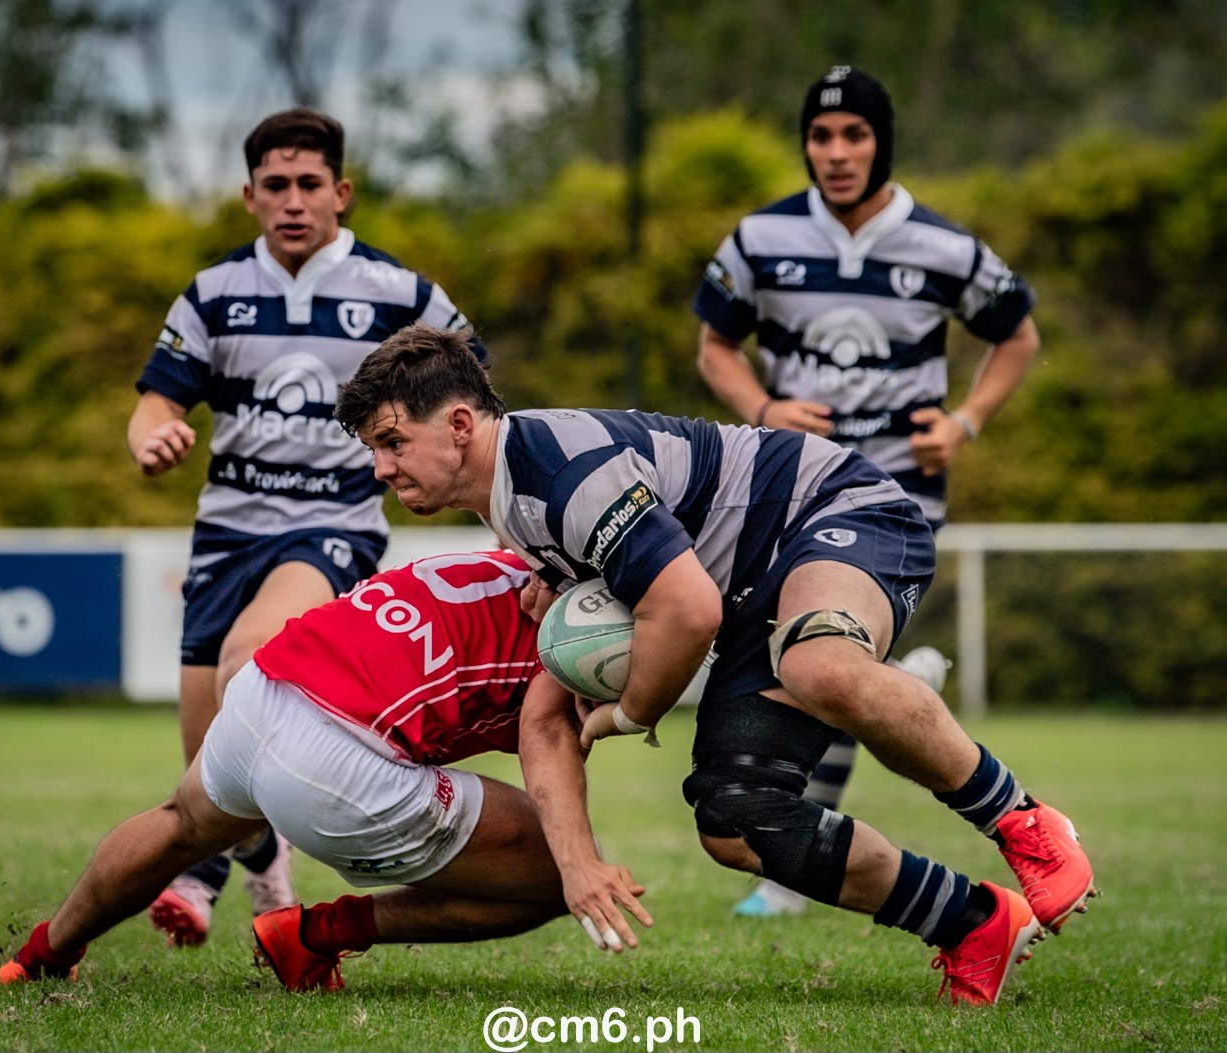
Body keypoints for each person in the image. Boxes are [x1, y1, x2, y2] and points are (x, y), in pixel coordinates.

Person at [334, 323, 1096, 1007]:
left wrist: (630, 710)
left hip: (833, 508)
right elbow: (549, 708)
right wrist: (577, 860)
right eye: (374, 447)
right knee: (736, 817)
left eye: (391, 441)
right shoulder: (516, 505)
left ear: (459, 424)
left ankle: (1019, 818)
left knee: (820, 663)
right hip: (750, 597)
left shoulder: (563, 476)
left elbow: (688, 610)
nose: (379, 466)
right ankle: (974, 923)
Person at [127, 107, 485, 947]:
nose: (293, 201)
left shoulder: (401, 294)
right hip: (225, 531)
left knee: (249, 661)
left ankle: (201, 874)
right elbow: (156, 399)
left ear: (341, 192)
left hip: (332, 524)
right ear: (249, 195)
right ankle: (259, 857)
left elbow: (473, 391)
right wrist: (153, 436)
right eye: (276, 186)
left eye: (310, 185)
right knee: (208, 754)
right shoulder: (214, 294)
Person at [692, 65, 1041, 917]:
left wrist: (964, 423)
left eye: (854, 134)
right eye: (821, 136)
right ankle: (888, 698)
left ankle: (791, 862)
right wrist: (765, 407)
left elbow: (1017, 337)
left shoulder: (945, 246)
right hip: (789, 486)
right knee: (808, 661)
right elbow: (715, 349)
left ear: (882, 141)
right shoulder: (759, 239)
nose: (837, 152)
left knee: (819, 658)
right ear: (805, 144)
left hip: (896, 490)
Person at [0, 551, 650, 991]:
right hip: (337, 759)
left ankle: (42, 954)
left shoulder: (529, 551)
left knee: (181, 823)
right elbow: (545, 733)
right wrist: (578, 864)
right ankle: (312, 934)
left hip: (269, 687)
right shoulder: (576, 642)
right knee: (552, 875)